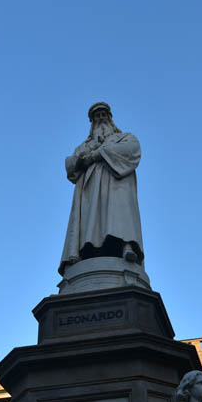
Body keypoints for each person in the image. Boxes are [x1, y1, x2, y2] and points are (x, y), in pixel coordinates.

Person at [59, 102, 144, 275]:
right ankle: (87, 252)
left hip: (116, 183)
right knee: (92, 222)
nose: (100, 118)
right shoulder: (84, 146)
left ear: (110, 118)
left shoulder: (124, 137)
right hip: (89, 189)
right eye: (96, 116)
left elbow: (132, 150)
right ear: (91, 122)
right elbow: (71, 165)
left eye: (103, 114)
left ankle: (126, 246)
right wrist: (84, 158)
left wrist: (98, 154)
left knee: (118, 216)